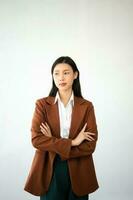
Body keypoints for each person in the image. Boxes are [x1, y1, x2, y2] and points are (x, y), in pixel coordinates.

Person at [24, 56, 99, 200]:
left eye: (66, 72)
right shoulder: (42, 105)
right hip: (49, 167)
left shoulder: (87, 106)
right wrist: (73, 142)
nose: (61, 77)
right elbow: (36, 140)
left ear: (75, 75)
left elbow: (90, 145)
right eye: (56, 73)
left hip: (80, 169)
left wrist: (53, 141)